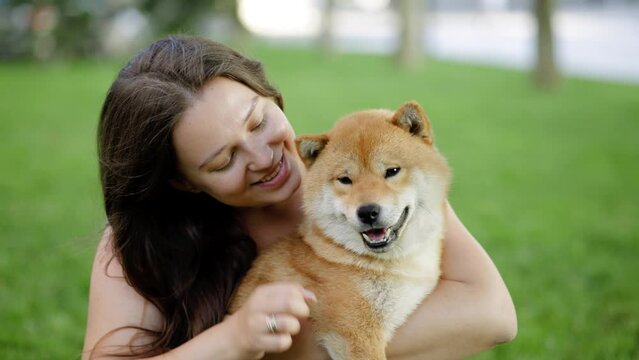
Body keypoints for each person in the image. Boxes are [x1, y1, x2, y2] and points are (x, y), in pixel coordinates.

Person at [82, 35, 517, 360]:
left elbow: (491, 312)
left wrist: (329, 339)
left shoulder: (369, 177)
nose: (263, 157)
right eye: (223, 160)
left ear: (269, 93)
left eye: (257, 122)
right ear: (184, 182)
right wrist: (234, 340)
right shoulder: (142, 242)